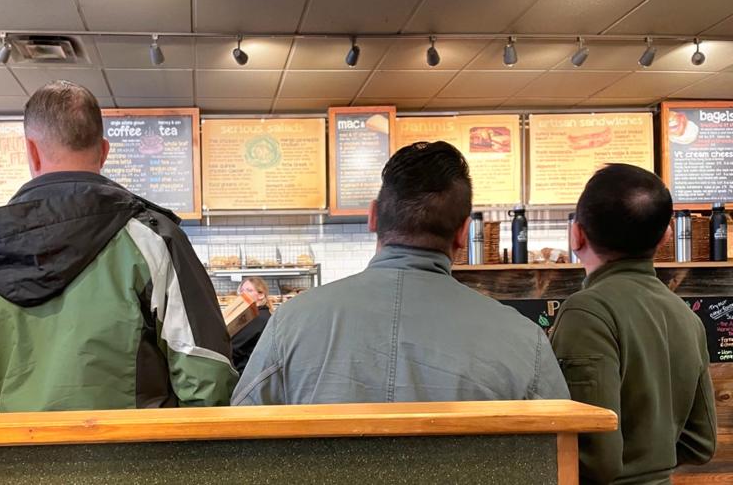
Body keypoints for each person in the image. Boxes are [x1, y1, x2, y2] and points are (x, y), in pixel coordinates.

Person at [0, 80, 236, 413]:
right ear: (105, 151)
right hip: (135, 463)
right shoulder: (152, 242)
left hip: (10, 462)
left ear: (31, 151)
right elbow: (207, 376)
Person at [232, 141, 569, 405]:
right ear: (463, 233)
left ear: (373, 217)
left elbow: (241, 438)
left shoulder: (290, 323)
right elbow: (558, 456)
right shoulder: (525, 341)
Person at [551, 164, 716, 484]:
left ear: (576, 234)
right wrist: (651, 460)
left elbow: (595, 459)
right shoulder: (687, 317)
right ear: (666, 237)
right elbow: (701, 442)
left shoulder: (587, 313)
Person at [232, 277, 273, 376]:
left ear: (261, 295)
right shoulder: (262, 314)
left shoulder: (257, 318)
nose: (243, 294)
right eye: (241, 291)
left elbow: (235, 347)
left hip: (245, 373)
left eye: (249, 290)